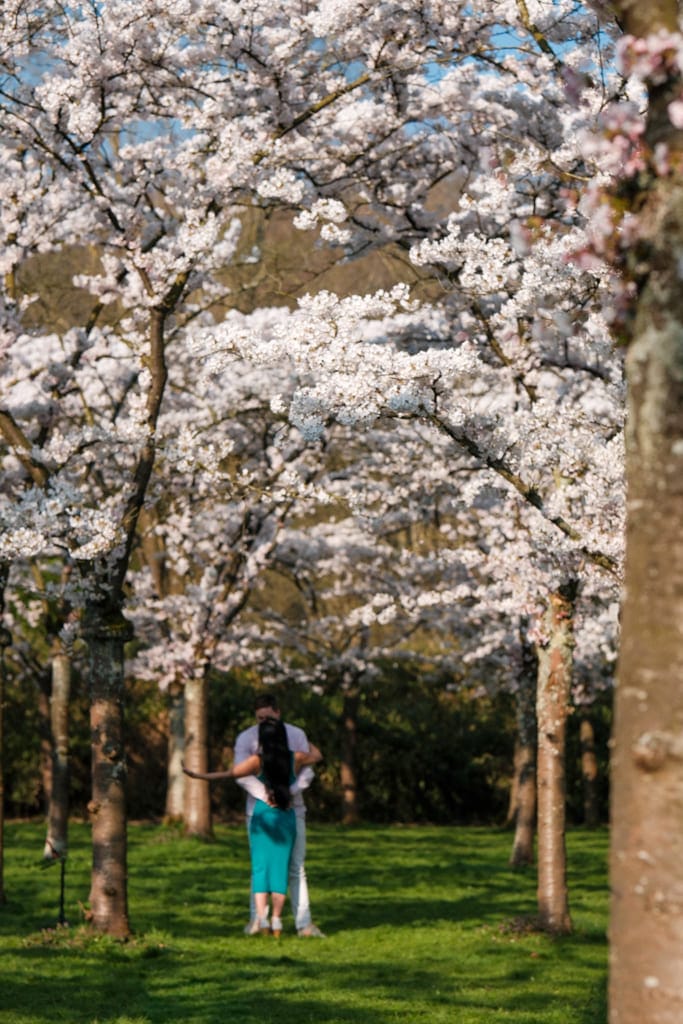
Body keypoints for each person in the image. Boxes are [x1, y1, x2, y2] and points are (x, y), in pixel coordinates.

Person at [182, 717, 322, 937]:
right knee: (281, 867)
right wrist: (304, 737)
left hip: (262, 816)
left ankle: (261, 920)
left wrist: (198, 775)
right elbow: (317, 756)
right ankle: (277, 921)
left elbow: (230, 774)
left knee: (260, 868)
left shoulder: (258, 761)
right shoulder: (296, 758)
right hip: (286, 816)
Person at [234, 694, 326, 938]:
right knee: (260, 866)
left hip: (292, 810)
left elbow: (308, 769)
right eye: (260, 718)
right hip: (259, 812)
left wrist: (290, 792)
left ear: (278, 712)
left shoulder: (296, 735)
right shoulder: (247, 738)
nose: (264, 721)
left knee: (296, 866)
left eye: (268, 716)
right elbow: (241, 773)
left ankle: (303, 923)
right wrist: (267, 795)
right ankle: (258, 919)